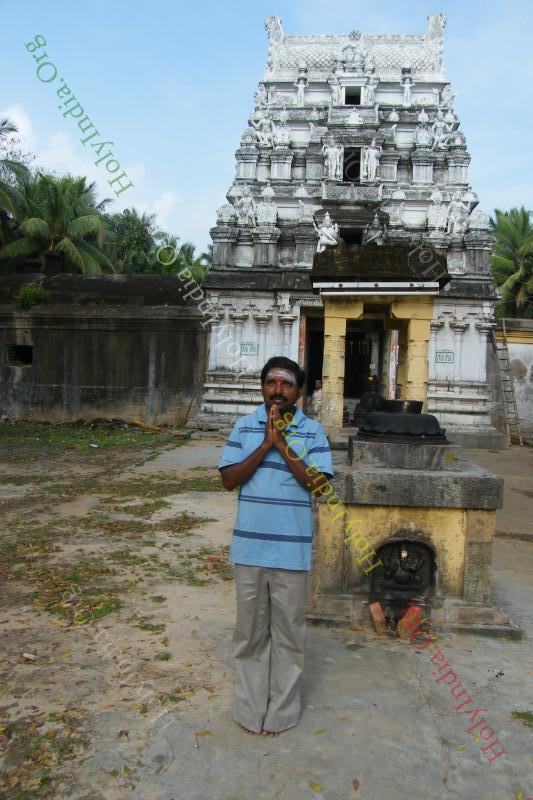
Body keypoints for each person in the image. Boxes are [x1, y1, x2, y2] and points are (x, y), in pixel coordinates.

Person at [218, 356, 333, 736]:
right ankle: (251, 712)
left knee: (288, 636)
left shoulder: (313, 432)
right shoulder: (244, 426)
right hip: (249, 552)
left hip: (291, 554)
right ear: (262, 387)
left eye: (286, 384)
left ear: (299, 392)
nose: (277, 391)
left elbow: (319, 486)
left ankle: (282, 713)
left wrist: (282, 445)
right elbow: (229, 479)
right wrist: (264, 445)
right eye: (271, 383)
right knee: (249, 636)